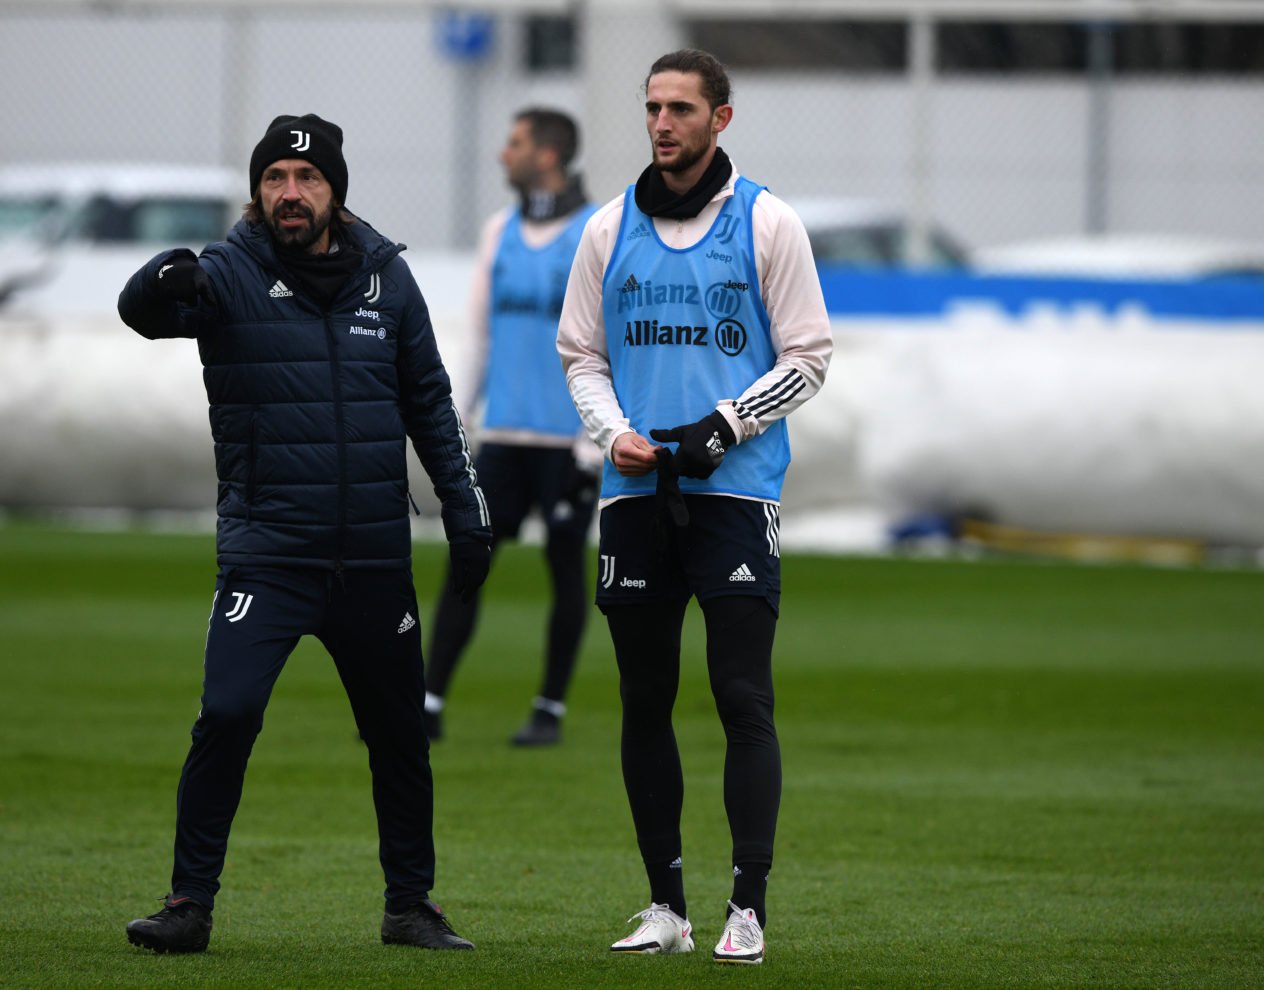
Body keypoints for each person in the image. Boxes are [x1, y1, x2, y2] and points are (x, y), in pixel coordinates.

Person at [116, 113, 492, 955]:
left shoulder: (387, 280)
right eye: (276, 180)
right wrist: (157, 275)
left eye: (308, 179)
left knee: (399, 732)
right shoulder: (224, 276)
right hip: (269, 554)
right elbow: (142, 313)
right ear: (258, 191)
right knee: (229, 712)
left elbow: (431, 402)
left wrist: (468, 516)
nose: (291, 194)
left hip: (371, 557)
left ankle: (410, 906)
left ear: (335, 190)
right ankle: (188, 904)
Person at [556, 50, 833, 965]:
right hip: (636, 494)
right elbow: (581, 356)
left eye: (680, 108)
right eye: (651, 108)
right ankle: (665, 907)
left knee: (741, 697)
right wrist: (612, 432)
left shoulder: (768, 222)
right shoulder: (607, 229)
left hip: (736, 495)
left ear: (721, 119)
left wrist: (727, 421)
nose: (662, 123)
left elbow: (809, 357)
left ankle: (745, 909)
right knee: (644, 700)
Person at [423, 107, 599, 747]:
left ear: (548, 156)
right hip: (503, 439)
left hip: (569, 445)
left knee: (564, 564)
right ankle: (429, 701)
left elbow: (611, 346)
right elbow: (479, 337)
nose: (504, 154)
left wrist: (595, 441)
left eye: (516, 143)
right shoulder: (499, 231)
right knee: (469, 562)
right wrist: (456, 421)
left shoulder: (597, 231)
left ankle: (549, 710)